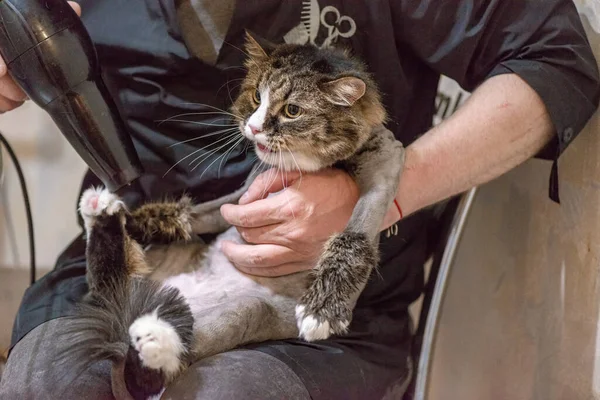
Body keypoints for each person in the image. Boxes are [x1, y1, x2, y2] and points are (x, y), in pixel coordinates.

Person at [1, 0, 599, 399]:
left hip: (321, 315)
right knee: (46, 381)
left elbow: (557, 62)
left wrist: (373, 201)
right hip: (139, 261)